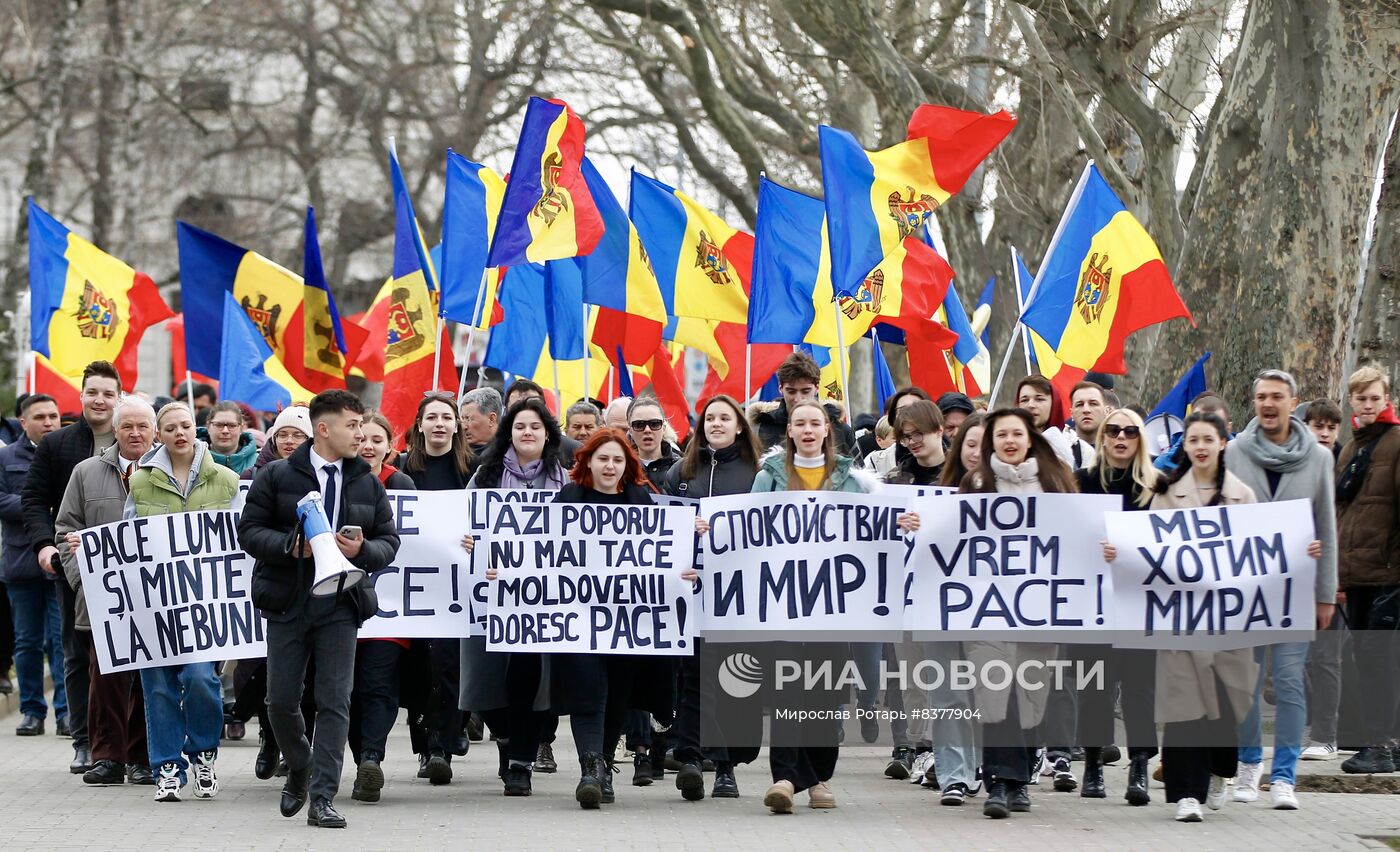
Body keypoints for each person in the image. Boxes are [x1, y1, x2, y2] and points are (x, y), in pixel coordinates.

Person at [237, 390, 400, 829]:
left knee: (335, 701)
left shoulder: (366, 480)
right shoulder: (276, 476)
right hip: (288, 603)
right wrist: (291, 546)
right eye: (352, 426)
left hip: (342, 604)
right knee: (280, 701)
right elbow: (249, 532)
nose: (361, 435)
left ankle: (323, 796)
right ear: (324, 429)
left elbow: (390, 540)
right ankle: (300, 762)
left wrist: (365, 548)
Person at [1110, 411, 1259, 822]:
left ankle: (1218, 772)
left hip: (1228, 621)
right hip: (1181, 620)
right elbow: (1149, 553)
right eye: (1193, 440)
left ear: (1223, 443)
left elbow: (1262, 555)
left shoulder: (1242, 496)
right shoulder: (1167, 494)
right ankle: (1185, 794)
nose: (1200, 447)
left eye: (1208, 439)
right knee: (1185, 706)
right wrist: (1120, 553)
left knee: (1225, 706)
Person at [751, 399, 896, 814]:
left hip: (835, 607)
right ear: (791, 432)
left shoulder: (854, 482)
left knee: (822, 693)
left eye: (816, 423)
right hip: (782, 602)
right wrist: (717, 526)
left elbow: (875, 532)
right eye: (801, 424)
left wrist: (901, 523)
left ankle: (817, 777)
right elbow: (748, 528)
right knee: (785, 690)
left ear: (827, 430)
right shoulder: (770, 478)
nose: (809, 430)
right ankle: (783, 777)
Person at [534, 429, 677, 809]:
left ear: (626, 465)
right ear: (588, 463)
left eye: (617, 460)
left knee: (617, 694)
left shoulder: (640, 501)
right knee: (587, 692)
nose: (610, 466)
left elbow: (662, 554)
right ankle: (590, 767)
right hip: (577, 618)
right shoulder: (568, 498)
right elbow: (537, 553)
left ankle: (606, 764)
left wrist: (685, 553)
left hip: (627, 622)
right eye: (603, 459)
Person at [1225, 369, 1337, 809]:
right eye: (1261, 397)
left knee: (1290, 682)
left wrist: (1326, 592)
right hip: (1246, 593)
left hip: (1297, 591)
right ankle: (1249, 764)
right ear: (1254, 404)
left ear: (1294, 403)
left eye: (1277, 397)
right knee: (1246, 685)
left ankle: (1286, 775)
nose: (1268, 404)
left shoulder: (1319, 459)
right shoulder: (1234, 453)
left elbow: (1325, 525)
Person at [959, 407, 1078, 819]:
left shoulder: (1056, 485)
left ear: (1030, 439)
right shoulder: (975, 485)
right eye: (1001, 435)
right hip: (987, 611)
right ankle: (998, 783)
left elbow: (1077, 539)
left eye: (1017, 434)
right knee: (996, 693)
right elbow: (953, 542)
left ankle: (1020, 780)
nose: (1009, 441)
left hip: (1038, 610)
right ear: (991, 441)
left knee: (1029, 694)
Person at [123, 403, 239, 802]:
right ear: (159, 433)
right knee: (157, 686)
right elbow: (125, 542)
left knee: (200, 679)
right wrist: (86, 548)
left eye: (185, 425)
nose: (179, 433)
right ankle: (167, 767)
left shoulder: (226, 480)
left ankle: (203, 755)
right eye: (170, 427)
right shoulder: (140, 483)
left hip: (204, 606)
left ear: (196, 429)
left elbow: (241, 540)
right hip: (154, 604)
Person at [461, 397, 569, 793]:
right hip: (489, 594)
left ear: (547, 435)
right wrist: (470, 541)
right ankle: (507, 739)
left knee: (527, 679)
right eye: (520, 426)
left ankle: (521, 762)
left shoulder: (566, 482)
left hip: (540, 601)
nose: (527, 433)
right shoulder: (485, 476)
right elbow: (464, 521)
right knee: (482, 686)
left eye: (535, 427)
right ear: (509, 433)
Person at [22, 359, 122, 775]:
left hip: (134, 573)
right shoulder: (57, 444)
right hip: (75, 569)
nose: (99, 400)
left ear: (119, 399)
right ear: (81, 396)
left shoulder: (137, 437)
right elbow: (33, 500)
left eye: (108, 393)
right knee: (78, 654)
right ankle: (83, 740)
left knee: (126, 659)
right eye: (92, 392)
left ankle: (129, 744)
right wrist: (46, 546)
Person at [663, 394, 764, 799]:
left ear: (740, 425)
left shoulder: (757, 473)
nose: (716, 424)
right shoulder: (681, 472)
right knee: (694, 677)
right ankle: (690, 758)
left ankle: (725, 766)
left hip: (742, 593)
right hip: (693, 592)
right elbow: (662, 526)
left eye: (725, 418)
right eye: (709, 418)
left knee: (735, 678)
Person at [54, 398, 157, 787]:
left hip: (156, 597)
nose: (135, 433)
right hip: (106, 597)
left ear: (154, 431)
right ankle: (107, 757)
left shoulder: (170, 473)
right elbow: (66, 531)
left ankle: (142, 756)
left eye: (142, 426)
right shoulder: (85, 473)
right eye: (127, 426)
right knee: (106, 677)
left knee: (150, 679)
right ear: (114, 431)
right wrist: (85, 580)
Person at [1076, 408, 1160, 804]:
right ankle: (1093, 764)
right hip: (1093, 602)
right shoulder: (1082, 482)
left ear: (1140, 438)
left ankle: (1140, 765)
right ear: (1102, 437)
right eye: (1113, 430)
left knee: (1140, 687)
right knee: (1095, 686)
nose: (1121, 437)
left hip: (1141, 602)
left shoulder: (1156, 486)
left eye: (1130, 430)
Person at [398, 393, 474, 784]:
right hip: (412, 585)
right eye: (432, 417)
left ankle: (444, 743)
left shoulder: (472, 469)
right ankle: (424, 746)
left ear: (458, 425)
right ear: (420, 425)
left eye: (447, 417)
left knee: (448, 663)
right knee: (418, 667)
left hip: (457, 585)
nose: (440, 423)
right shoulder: (402, 470)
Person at [348, 412, 417, 803]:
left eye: (377, 439)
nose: (368, 446)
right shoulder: (338, 483)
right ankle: (362, 763)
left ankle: (372, 758)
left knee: (378, 686)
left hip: (391, 612)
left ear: (390, 445)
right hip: (343, 608)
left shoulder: (402, 484)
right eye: (362, 438)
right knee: (348, 690)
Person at [1335, 366, 1400, 774]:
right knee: (1367, 659)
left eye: (1376, 398)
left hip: (1388, 574)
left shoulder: (1396, 443)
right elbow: (1344, 512)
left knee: (1380, 660)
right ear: (1352, 402)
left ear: (1387, 398)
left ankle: (1380, 744)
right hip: (1356, 574)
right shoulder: (1350, 450)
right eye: (1362, 398)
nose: (1369, 405)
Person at [1, 394, 65, 737]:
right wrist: (36, 505)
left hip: (60, 564)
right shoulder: (6, 457)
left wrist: (45, 506)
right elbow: (1, 500)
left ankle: (67, 713)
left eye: (53, 415)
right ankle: (31, 711)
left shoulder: (66, 452)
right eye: (40, 416)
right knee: (26, 643)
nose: (49, 422)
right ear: (23, 423)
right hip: (21, 565)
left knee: (61, 641)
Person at [753, 351, 859, 456]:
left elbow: (858, 470)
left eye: (805, 391)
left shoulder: (840, 430)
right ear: (780, 389)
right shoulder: (761, 429)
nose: (798, 399)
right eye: (791, 391)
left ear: (817, 388)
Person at [1153, 393, 1232, 472]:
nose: (1201, 446)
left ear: (1228, 428)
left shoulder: (1241, 462)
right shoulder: (1164, 466)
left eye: (1216, 425)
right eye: (1199, 422)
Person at [863, 388, 931, 475]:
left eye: (917, 408)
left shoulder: (952, 462)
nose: (910, 414)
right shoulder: (877, 462)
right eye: (903, 410)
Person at [1014, 375, 1075, 467]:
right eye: (1024, 400)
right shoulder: (1007, 446)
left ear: (1054, 404)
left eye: (1039, 399)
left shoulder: (1076, 447)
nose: (1031, 405)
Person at [242, 406, 312, 481]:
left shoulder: (320, 474)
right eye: (282, 435)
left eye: (297, 435)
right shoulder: (251, 475)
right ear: (274, 439)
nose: (289, 441)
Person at [884, 401, 945, 485]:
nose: (911, 442)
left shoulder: (960, 472)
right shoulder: (894, 479)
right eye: (906, 437)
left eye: (917, 434)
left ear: (939, 431)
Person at [628, 397, 679, 487]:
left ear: (663, 428)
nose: (647, 430)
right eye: (639, 425)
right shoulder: (622, 468)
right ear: (630, 430)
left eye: (654, 424)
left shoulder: (681, 468)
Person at [198, 400, 259, 475]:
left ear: (241, 428)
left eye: (232, 425)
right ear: (208, 426)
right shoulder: (194, 460)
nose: (225, 431)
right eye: (219, 425)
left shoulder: (258, 463)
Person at [937, 413, 986, 488]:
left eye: (985, 448)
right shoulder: (935, 490)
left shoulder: (1004, 490)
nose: (977, 454)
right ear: (960, 445)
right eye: (971, 445)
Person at [1068, 381, 1107, 469]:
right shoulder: (1059, 449)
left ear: (1106, 411)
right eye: (1079, 405)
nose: (1086, 410)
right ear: (1071, 413)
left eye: (1093, 404)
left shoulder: (1116, 449)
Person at [459, 387, 503, 454]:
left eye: (468, 419)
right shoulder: (455, 455)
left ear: (491, 419)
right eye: (462, 419)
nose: (464, 427)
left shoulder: (509, 458)